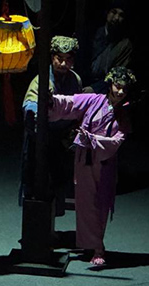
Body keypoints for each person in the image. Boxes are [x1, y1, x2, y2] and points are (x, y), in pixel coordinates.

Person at [49, 66, 137, 266]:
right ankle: (89, 244)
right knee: (85, 203)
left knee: (101, 204)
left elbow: (117, 141)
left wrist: (92, 139)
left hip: (105, 162)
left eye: (124, 88)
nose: (120, 92)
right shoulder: (93, 100)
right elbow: (70, 103)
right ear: (110, 84)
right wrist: (51, 100)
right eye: (117, 86)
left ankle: (98, 248)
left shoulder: (123, 113)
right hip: (85, 159)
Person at [20, 35, 83, 214]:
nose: (63, 64)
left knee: (60, 179)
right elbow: (30, 103)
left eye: (68, 59)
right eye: (59, 58)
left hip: (63, 137)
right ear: (52, 57)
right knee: (36, 181)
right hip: (41, 138)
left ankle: (55, 215)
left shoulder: (75, 79)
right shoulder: (41, 80)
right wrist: (36, 114)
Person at [87, 1, 133, 94]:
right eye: (114, 12)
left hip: (105, 89)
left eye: (121, 15)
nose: (116, 18)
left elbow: (118, 72)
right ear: (107, 13)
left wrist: (95, 88)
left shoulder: (124, 44)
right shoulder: (93, 34)